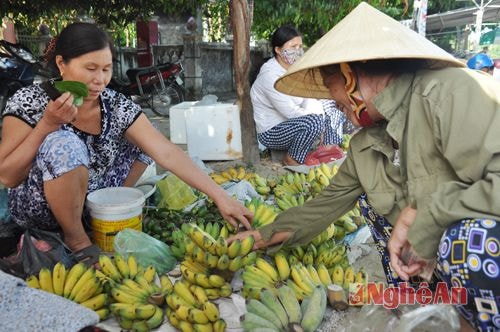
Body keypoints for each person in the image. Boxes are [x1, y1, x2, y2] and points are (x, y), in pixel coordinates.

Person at [230, 3, 499, 331]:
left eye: (334, 89)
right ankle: (421, 305)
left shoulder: (449, 93)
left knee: (469, 240)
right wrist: (265, 234)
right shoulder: (366, 145)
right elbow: (325, 205)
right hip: (430, 254)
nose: (334, 103)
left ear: (350, 74)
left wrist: (429, 213)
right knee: (375, 206)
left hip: (481, 248)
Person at [0, 22, 252, 265]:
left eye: (106, 69)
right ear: (61, 63)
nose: (100, 79)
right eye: (90, 69)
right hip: (40, 206)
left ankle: (112, 205)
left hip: (92, 197)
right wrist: (46, 125)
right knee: (64, 142)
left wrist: (221, 197)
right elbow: (7, 177)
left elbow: (165, 151)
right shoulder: (29, 101)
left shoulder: (114, 104)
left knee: (146, 137)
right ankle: (76, 239)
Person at [250, 25, 346, 166]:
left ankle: (327, 150)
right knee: (314, 122)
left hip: (298, 123)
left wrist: (322, 116)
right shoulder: (270, 75)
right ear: (278, 50)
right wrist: (320, 122)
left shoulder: (296, 68)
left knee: (335, 103)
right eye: (293, 46)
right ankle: (292, 159)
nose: (298, 50)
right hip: (273, 132)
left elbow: (309, 97)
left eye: (300, 46)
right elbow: (290, 112)